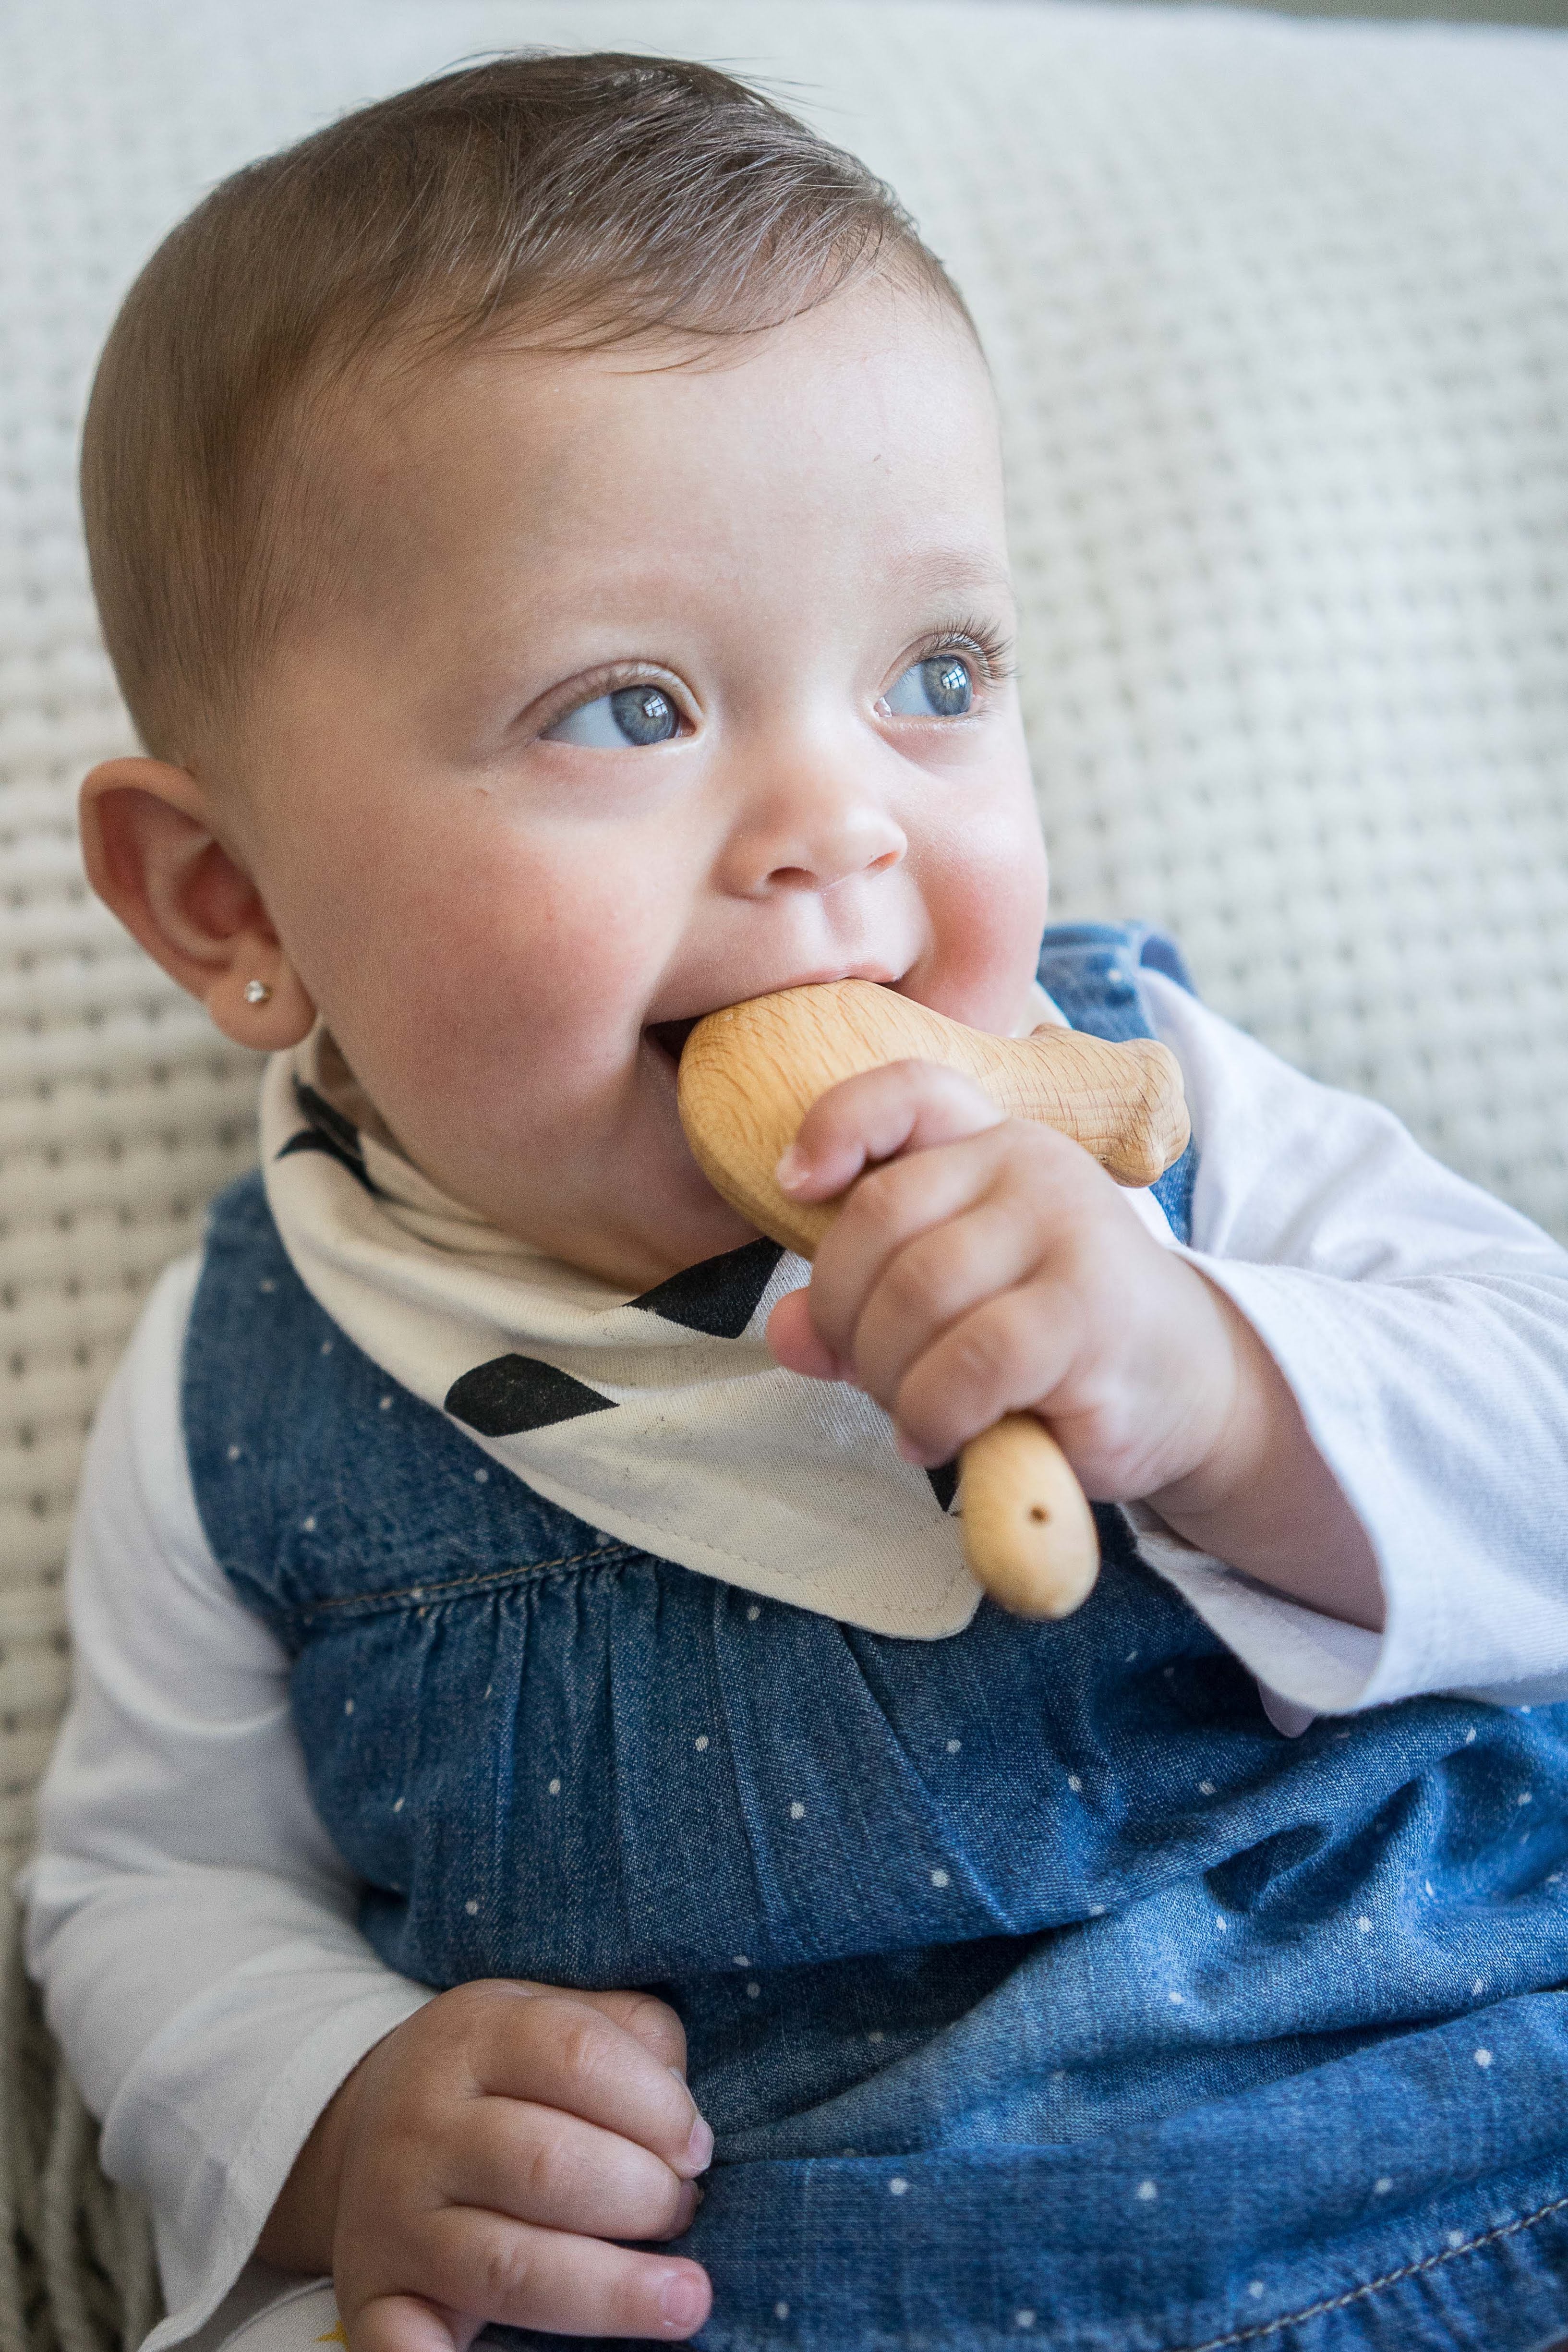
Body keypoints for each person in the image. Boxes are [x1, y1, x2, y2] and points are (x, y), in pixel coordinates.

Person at [21, 49, 1568, 2352]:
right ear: (231, 892)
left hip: (1449, 2128)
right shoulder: (243, 1386)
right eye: (631, 708)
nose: (839, 826)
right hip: (772, 2273)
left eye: (933, 676)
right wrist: (340, 2107)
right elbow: (145, 1887)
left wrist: (1220, 1385)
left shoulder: (1154, 1118)